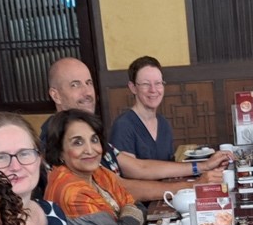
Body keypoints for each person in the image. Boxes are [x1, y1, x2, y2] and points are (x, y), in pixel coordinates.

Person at [44, 57, 229, 203]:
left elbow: (140, 166)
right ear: (55, 95)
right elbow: (121, 186)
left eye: (89, 83)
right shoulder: (55, 136)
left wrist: (202, 166)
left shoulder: (89, 131)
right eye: (75, 85)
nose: (87, 92)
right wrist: (195, 185)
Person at [109, 55, 176, 161]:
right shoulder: (123, 126)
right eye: (146, 84)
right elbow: (130, 171)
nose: (153, 90)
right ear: (133, 88)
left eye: (158, 83)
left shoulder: (164, 124)